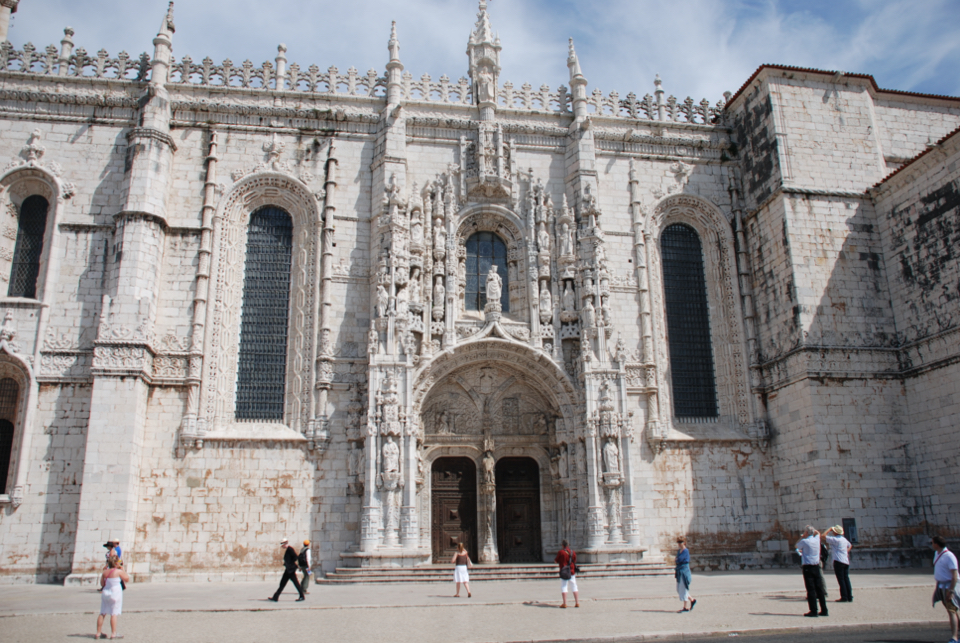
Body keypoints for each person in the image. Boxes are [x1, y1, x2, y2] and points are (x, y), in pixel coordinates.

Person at [931, 535, 959, 643]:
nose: (932, 545)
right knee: (952, 610)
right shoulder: (937, 554)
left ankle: (954, 637)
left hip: (949, 586)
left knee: (952, 610)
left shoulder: (949, 556)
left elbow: (955, 575)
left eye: (932, 543)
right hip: (941, 586)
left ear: (936, 544)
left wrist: (951, 591)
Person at [95, 554, 130, 640]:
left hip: (105, 593)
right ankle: (113, 633)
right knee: (114, 613)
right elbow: (127, 579)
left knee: (102, 612)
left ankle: (98, 633)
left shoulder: (105, 572)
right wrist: (123, 569)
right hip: (115, 593)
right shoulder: (118, 571)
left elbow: (102, 584)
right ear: (116, 563)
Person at [796, 525, 828, 617]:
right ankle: (824, 610)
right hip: (816, 566)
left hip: (808, 567)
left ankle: (813, 610)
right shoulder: (817, 539)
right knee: (819, 589)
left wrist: (802, 536)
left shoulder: (804, 541)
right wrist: (813, 529)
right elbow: (818, 533)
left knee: (811, 589)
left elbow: (796, 546)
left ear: (806, 533)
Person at [823, 525, 853, 602]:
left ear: (835, 532)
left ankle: (844, 596)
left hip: (838, 561)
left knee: (841, 580)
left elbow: (823, 536)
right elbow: (850, 545)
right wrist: (846, 552)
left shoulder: (835, 539)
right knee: (846, 578)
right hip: (845, 561)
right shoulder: (844, 539)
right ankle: (849, 596)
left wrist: (829, 529)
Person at [554, 539, 579, 608]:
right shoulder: (572, 552)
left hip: (564, 571)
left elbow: (556, 560)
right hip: (571, 571)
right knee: (574, 586)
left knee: (564, 586)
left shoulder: (561, 552)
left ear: (562, 545)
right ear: (568, 545)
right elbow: (575, 560)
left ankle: (565, 603)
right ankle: (577, 602)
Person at [675, 537, 697, 612]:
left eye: (681, 542)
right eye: (678, 542)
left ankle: (685, 607)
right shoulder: (679, 551)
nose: (679, 544)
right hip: (679, 571)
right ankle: (692, 600)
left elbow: (680, 559)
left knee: (683, 588)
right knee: (679, 589)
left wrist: (678, 560)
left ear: (684, 543)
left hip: (684, 572)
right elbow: (677, 559)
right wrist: (677, 560)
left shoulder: (685, 551)